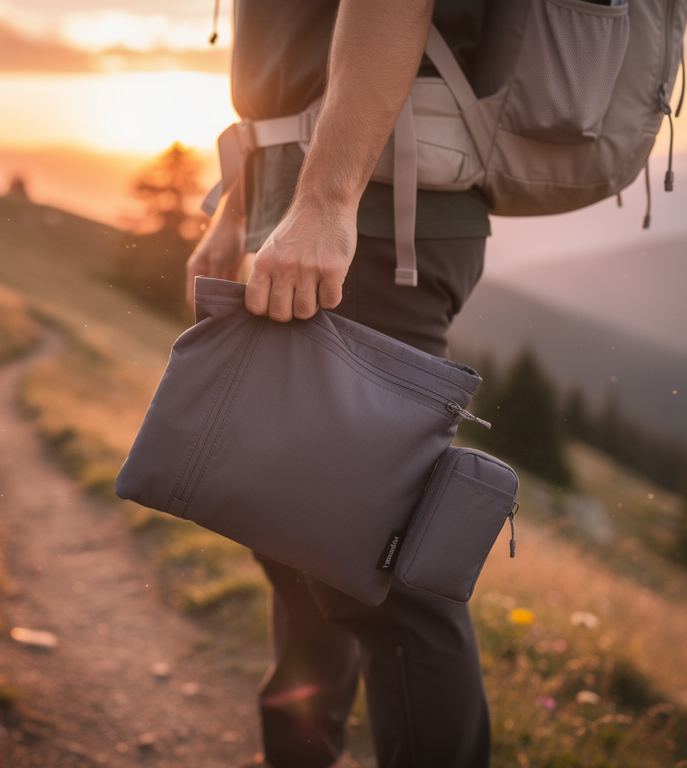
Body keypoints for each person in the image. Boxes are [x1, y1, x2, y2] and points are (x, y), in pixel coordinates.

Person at [186, 0, 493, 766]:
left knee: (384, 584)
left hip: (376, 217)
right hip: (317, 205)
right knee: (295, 540)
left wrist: (325, 203)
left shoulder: (345, 207)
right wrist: (241, 207)